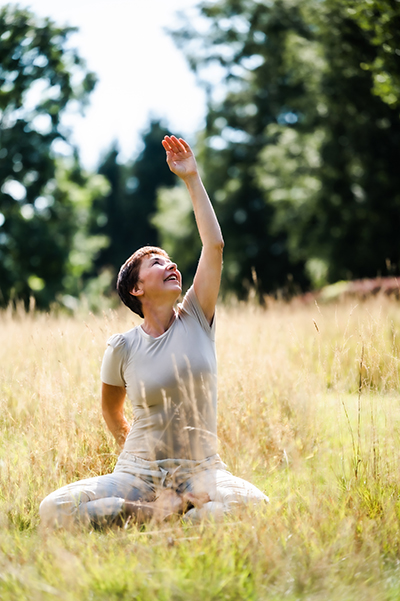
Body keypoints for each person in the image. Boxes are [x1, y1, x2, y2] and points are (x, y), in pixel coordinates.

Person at [39, 135, 268, 529]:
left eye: (170, 259)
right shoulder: (122, 346)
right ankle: (161, 513)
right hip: (137, 476)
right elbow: (111, 409)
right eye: (156, 262)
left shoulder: (197, 315)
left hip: (202, 472)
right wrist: (135, 456)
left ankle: (172, 510)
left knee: (257, 507)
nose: (170, 263)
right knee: (54, 508)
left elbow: (214, 245)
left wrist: (192, 178)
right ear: (136, 288)